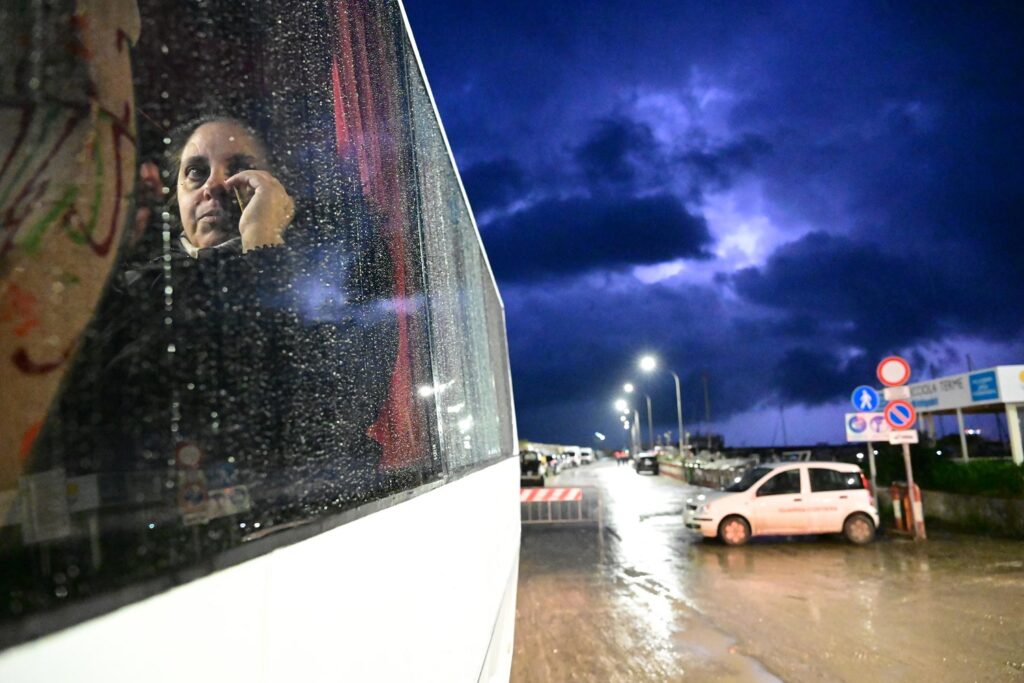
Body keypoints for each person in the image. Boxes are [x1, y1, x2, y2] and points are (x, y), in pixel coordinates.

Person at [34, 114, 399, 526]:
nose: (215, 186)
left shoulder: (333, 273)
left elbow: (327, 413)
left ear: (276, 190)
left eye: (240, 169)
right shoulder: (140, 290)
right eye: (196, 172)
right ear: (175, 196)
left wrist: (263, 243)